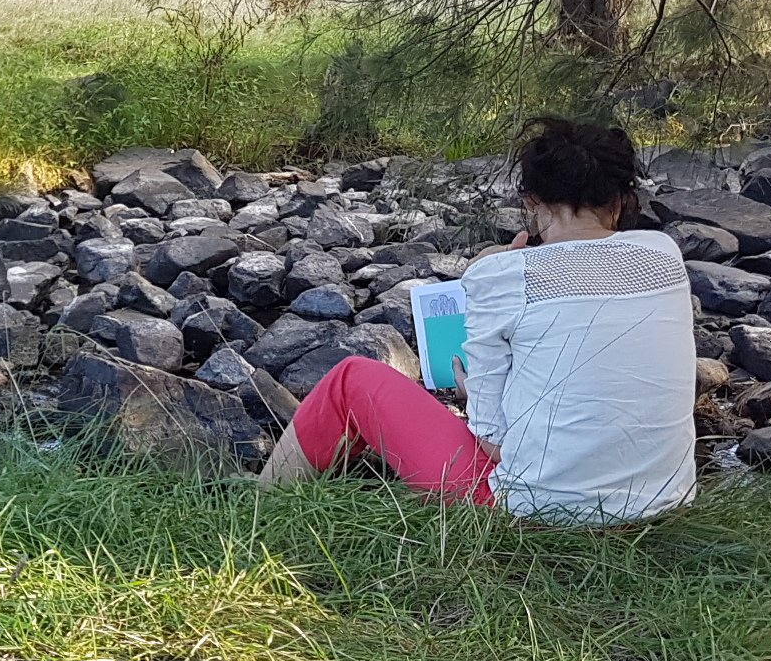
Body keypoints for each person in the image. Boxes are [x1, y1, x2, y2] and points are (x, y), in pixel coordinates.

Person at [259, 116, 698, 525]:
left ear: (532, 201)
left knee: (351, 378)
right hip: (663, 502)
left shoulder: (500, 275)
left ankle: (261, 503)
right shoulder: (662, 254)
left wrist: (474, 379)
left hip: (535, 513)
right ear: (621, 200)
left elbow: (495, 443)